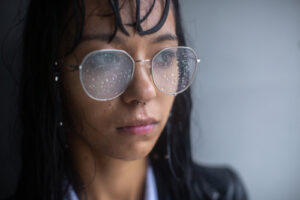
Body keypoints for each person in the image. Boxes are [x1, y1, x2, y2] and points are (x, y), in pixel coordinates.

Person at [7, 0, 248, 199]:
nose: (145, 92)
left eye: (164, 58)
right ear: (52, 73)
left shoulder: (221, 193)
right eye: (106, 60)